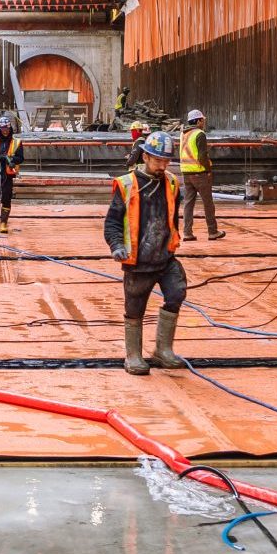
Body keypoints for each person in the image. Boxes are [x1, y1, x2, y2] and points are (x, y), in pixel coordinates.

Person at [106, 132, 189, 376]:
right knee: (135, 308)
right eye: (158, 161)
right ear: (145, 157)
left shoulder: (172, 183)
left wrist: (170, 242)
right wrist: (116, 246)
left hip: (164, 258)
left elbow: (172, 217)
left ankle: (163, 350)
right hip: (138, 262)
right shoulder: (127, 184)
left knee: (177, 292)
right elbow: (112, 222)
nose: (163, 166)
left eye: (166, 161)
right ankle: (133, 355)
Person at [177, 109, 222, 241]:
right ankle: (212, 231)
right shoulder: (199, 134)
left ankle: (187, 232)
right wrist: (208, 170)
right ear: (197, 121)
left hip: (186, 172)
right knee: (208, 203)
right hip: (199, 172)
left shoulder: (183, 134)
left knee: (188, 203)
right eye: (202, 120)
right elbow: (202, 156)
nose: (203, 122)